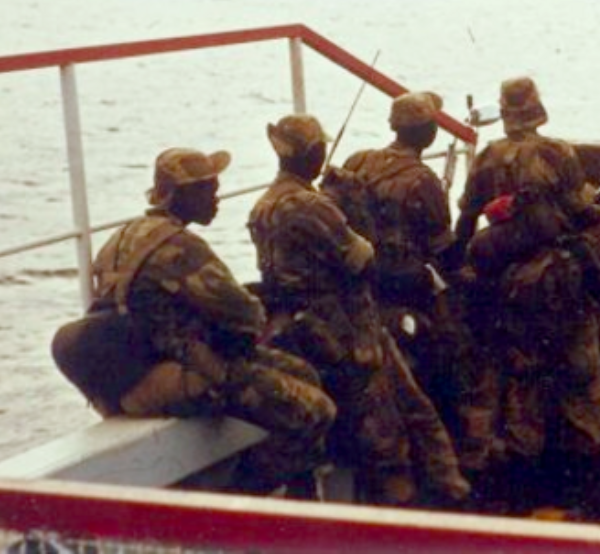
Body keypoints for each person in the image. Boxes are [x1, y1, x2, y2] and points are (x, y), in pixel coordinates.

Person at [248, 113, 469, 508]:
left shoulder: (262, 207)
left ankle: (451, 488)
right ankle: (418, 510)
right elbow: (364, 258)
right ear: (312, 154)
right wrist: (350, 208)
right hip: (349, 333)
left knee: (415, 407)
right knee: (391, 438)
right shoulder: (312, 206)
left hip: (314, 329)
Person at [89, 147, 337, 499]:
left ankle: (299, 491)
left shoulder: (122, 237)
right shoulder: (179, 246)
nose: (217, 196)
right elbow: (246, 316)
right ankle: (240, 499)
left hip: (141, 364)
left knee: (304, 374)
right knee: (316, 411)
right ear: (179, 194)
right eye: (207, 188)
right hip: (183, 371)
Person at [454, 76, 600, 514]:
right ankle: (575, 495)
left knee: (523, 388)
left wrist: (461, 265)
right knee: (581, 383)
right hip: (560, 287)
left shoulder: (489, 157)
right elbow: (583, 215)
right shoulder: (557, 153)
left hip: (510, 291)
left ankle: (522, 498)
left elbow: (465, 222)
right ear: (537, 108)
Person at [341, 92, 495, 469]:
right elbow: (443, 251)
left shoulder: (357, 161)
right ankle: (469, 449)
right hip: (404, 286)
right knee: (464, 349)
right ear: (428, 133)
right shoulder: (423, 180)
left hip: (363, 284)